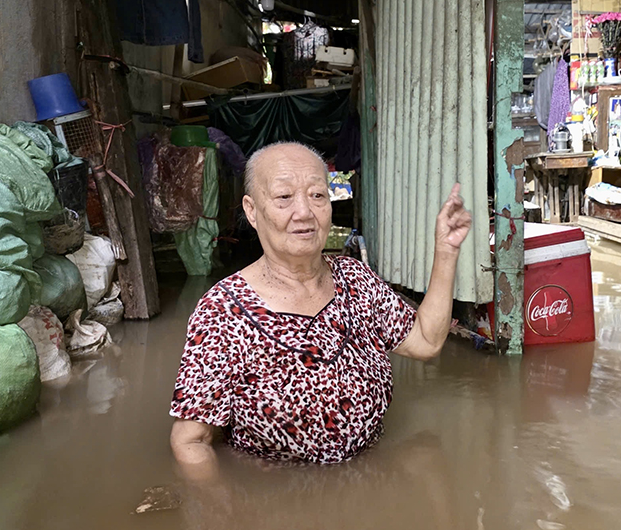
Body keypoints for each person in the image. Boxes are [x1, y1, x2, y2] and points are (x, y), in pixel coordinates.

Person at [169, 142, 473, 469]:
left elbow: (426, 340)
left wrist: (446, 251)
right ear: (252, 210)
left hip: (370, 481)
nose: (304, 212)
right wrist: (223, 500)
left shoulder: (356, 280)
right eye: (284, 197)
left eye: (317, 195)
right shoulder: (222, 311)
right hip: (274, 489)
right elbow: (190, 441)